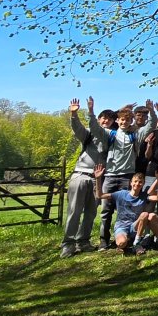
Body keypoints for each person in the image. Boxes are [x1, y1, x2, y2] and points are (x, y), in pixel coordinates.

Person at [94, 100, 156, 250]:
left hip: (127, 176)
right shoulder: (110, 134)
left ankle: (129, 238)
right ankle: (104, 240)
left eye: (127, 120)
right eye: (122, 120)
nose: (124, 122)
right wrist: (90, 112)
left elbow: (151, 125)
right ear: (117, 121)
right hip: (110, 176)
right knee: (106, 210)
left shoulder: (135, 135)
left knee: (127, 209)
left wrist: (152, 111)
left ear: (131, 122)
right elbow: (95, 128)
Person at [61, 97, 112, 257]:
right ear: (98, 119)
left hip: (97, 179)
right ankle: (68, 244)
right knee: (74, 211)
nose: (106, 121)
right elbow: (77, 128)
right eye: (103, 118)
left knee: (91, 213)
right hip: (81, 176)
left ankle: (83, 241)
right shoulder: (88, 134)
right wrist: (74, 114)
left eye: (109, 119)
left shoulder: (109, 137)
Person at [92, 164, 155, 256]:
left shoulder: (143, 196)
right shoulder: (121, 194)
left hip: (135, 226)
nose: (137, 184)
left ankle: (136, 243)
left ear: (143, 184)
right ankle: (124, 243)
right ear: (131, 183)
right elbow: (100, 195)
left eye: (140, 182)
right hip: (121, 227)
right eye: (135, 181)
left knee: (145, 214)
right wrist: (98, 178)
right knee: (122, 243)